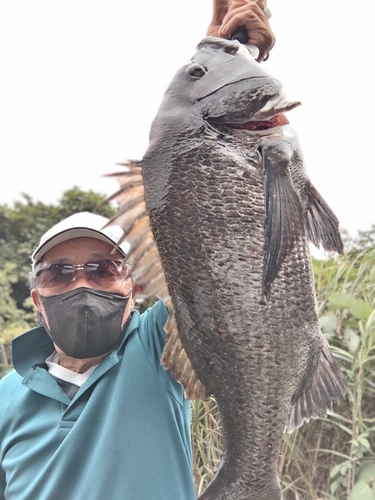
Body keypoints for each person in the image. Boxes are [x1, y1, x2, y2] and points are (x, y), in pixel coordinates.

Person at [0, 4, 275, 500]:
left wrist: (229, 56)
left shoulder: (156, 347)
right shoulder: (2, 399)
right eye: (59, 272)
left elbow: (217, 248)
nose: (81, 283)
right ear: (37, 299)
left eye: (102, 268)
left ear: (134, 286)